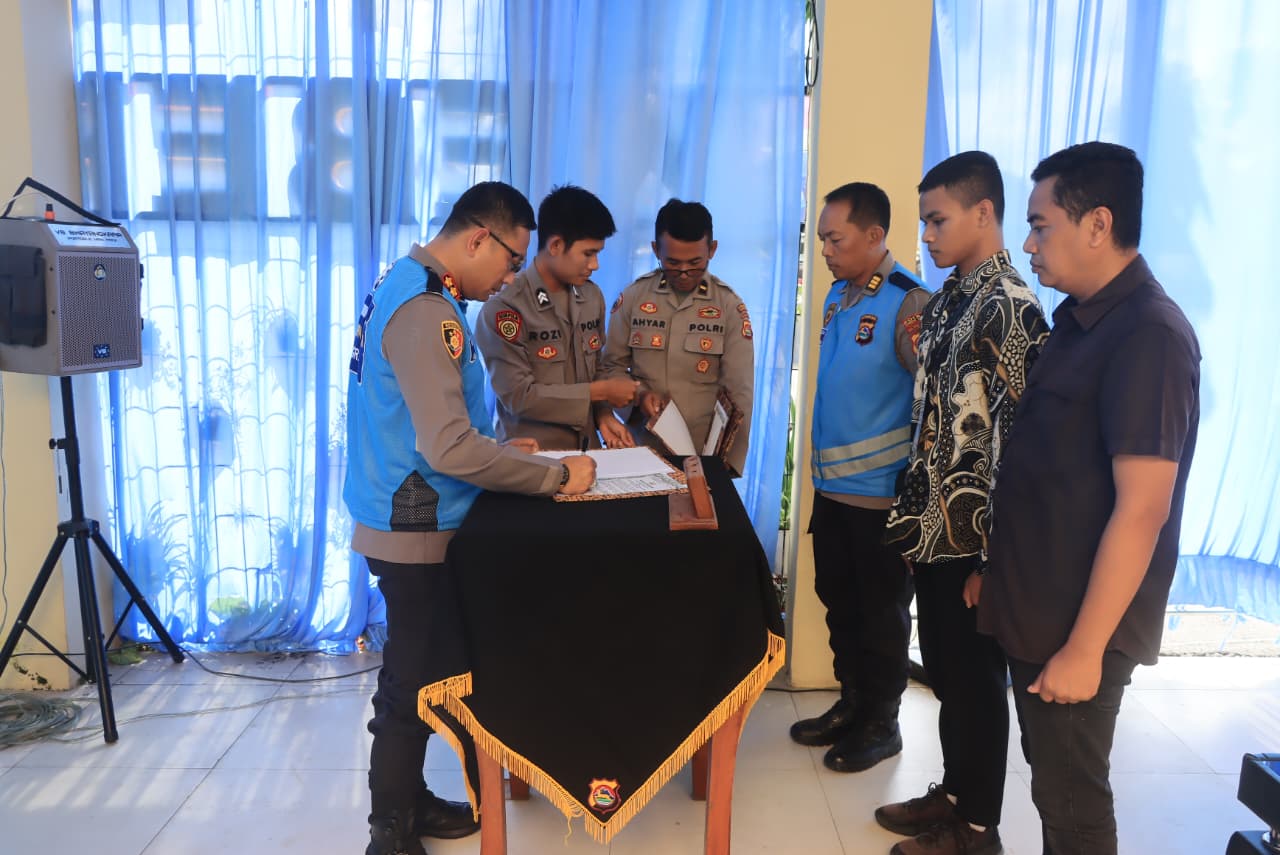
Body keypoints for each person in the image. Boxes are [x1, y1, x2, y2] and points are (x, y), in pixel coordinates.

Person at [343, 181, 597, 855]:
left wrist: (502, 451)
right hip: (415, 518)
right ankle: (390, 830)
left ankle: (410, 800)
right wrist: (556, 476)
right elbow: (448, 447)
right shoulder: (427, 309)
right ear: (480, 237)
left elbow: (431, 418)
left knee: (420, 673)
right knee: (410, 681)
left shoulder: (410, 282)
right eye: (511, 259)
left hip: (402, 502)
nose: (512, 276)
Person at [979, 142, 1200, 855]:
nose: (1028, 244)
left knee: (1072, 803)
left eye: (1040, 226)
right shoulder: (1080, 320)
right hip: (1040, 603)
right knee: (1054, 786)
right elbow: (1049, 469)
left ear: (1098, 224)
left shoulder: (1148, 335)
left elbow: (1143, 508)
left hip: (1079, 624)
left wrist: (1084, 648)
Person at [878, 151, 1050, 855]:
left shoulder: (1010, 305)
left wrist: (994, 559)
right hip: (936, 527)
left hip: (975, 537)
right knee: (950, 675)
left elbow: (1027, 440)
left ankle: (977, 828)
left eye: (938, 219)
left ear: (984, 213)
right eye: (924, 221)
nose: (926, 234)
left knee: (977, 684)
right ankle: (954, 792)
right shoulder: (952, 295)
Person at [790, 182, 930, 774]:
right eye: (823, 239)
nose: (825, 249)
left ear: (874, 236)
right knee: (839, 602)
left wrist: (916, 496)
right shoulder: (837, 296)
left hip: (880, 498)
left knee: (881, 616)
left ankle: (882, 722)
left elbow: (932, 406)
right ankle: (851, 702)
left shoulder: (908, 302)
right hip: (832, 490)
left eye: (834, 239)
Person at [475, 185, 639, 450]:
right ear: (555, 245)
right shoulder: (506, 308)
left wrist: (604, 415)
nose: (595, 265)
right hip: (534, 457)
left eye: (598, 254)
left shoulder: (591, 296)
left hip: (589, 453)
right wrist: (602, 391)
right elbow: (518, 397)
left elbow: (596, 368)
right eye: (588, 253)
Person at [599, 198, 754, 475]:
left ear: (712, 250)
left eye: (695, 263)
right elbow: (611, 367)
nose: (683, 273)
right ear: (655, 250)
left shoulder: (729, 307)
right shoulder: (634, 298)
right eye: (672, 262)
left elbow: (739, 394)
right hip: (639, 449)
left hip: (701, 456)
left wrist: (727, 465)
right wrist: (639, 396)